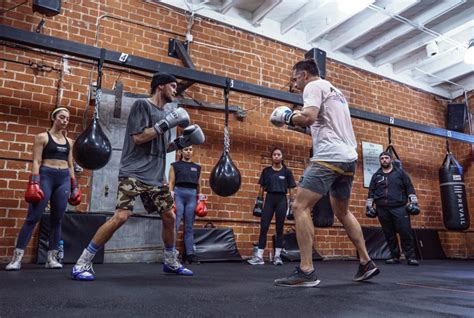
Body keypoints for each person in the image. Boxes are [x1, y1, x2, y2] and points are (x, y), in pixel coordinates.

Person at [71, 72, 205, 281]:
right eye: (172, 85)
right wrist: (166, 124)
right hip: (133, 172)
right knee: (122, 216)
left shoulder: (165, 114)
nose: (175, 90)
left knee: (169, 216)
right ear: (160, 86)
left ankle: (170, 261)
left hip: (155, 176)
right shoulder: (142, 106)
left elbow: (161, 146)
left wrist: (180, 143)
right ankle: (83, 261)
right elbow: (139, 138)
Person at [270, 59, 380, 287]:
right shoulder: (335, 92)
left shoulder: (313, 87)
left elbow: (308, 116)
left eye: (295, 78)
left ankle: (306, 270)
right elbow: (317, 124)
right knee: (342, 211)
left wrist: (286, 116)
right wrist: (291, 123)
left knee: (300, 206)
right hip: (349, 158)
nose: (294, 84)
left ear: (306, 75)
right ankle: (366, 261)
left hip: (329, 156)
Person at [6, 107, 81, 271]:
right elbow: (36, 161)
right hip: (46, 176)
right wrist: (34, 182)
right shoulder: (42, 137)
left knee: (57, 219)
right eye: (62, 117)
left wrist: (74, 185)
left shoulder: (70, 142)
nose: (65, 121)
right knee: (33, 217)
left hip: (64, 179)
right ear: (54, 118)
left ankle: (51, 258)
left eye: (67, 119)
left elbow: (70, 164)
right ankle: (16, 259)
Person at [366, 151, 420, 266]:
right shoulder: (376, 176)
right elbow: (371, 192)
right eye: (382, 158)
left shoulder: (400, 173)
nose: (384, 160)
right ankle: (395, 256)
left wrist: (414, 202)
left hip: (399, 207)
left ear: (391, 160)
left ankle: (411, 257)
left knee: (405, 232)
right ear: (380, 161)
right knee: (389, 233)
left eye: (386, 158)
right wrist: (369, 206)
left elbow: (409, 188)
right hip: (382, 209)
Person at [248, 147, 296, 266]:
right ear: (272, 157)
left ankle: (277, 257)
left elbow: (291, 189)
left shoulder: (287, 172)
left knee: (279, 228)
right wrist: (259, 202)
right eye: (274, 154)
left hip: (281, 200)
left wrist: (291, 203)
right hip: (269, 199)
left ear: (282, 157)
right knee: (264, 227)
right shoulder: (266, 171)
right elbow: (261, 188)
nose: (276, 156)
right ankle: (259, 257)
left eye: (278, 154)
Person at [169, 145, 202, 265]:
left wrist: (200, 199)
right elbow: (171, 183)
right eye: (186, 149)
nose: (188, 152)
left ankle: (189, 254)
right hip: (178, 193)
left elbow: (199, 185)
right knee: (175, 224)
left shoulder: (197, 167)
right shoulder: (175, 165)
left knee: (189, 226)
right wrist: (171, 198)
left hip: (192, 195)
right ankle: (170, 254)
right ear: (181, 151)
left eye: (190, 150)